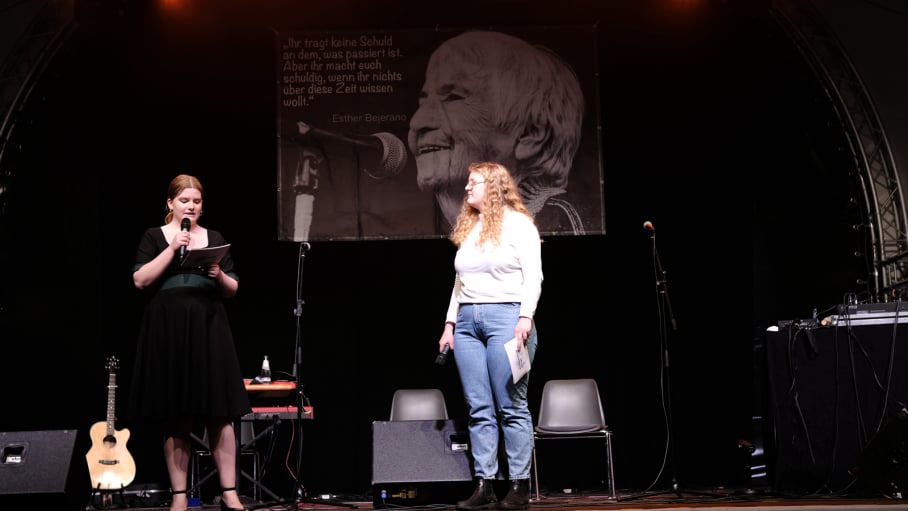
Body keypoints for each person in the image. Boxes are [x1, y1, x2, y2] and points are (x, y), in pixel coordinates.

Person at [127, 174, 251, 511]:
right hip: (169, 330)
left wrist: (218, 274)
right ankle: (180, 496)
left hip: (208, 327)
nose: (191, 206)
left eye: (196, 201)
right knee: (176, 413)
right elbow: (141, 279)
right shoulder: (156, 236)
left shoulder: (214, 238)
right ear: (170, 203)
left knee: (220, 414)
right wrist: (172, 248)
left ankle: (229, 492)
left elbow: (233, 289)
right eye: (184, 201)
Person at [437, 162, 543, 510]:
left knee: (511, 405)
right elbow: (459, 283)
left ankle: (518, 485)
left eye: (474, 183)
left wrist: (525, 316)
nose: (467, 189)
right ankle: (485, 484)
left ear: (494, 187)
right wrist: (450, 324)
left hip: (507, 318)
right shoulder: (471, 227)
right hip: (468, 322)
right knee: (479, 408)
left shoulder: (519, 225)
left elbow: (534, 277)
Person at [408, 30, 586, 235]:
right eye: (423, 101)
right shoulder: (480, 231)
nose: (418, 122)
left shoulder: (553, 227)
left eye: (454, 97)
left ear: (532, 133)